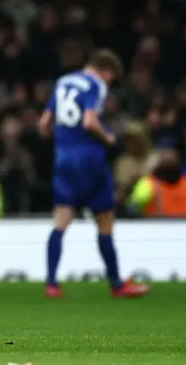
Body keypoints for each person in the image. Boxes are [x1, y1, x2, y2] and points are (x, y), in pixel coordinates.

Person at [38, 49, 151, 299]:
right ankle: (116, 284)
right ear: (106, 70)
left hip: (63, 159)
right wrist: (109, 137)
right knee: (105, 220)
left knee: (61, 221)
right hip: (90, 159)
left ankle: (52, 284)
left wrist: (62, 141)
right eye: (111, 78)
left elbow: (44, 123)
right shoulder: (95, 84)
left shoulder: (63, 81)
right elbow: (89, 122)